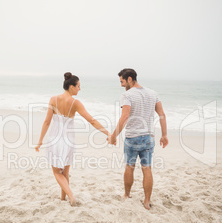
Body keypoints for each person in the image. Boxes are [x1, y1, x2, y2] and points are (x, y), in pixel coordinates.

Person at [35, 72, 111, 206]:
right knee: (65, 172)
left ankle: (70, 196)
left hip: (55, 139)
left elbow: (47, 122)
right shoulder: (75, 103)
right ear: (71, 87)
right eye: (78, 86)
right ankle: (63, 199)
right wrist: (108, 134)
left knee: (57, 173)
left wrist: (40, 140)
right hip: (68, 140)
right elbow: (91, 120)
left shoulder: (53, 99)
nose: (79, 89)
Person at [108, 68, 168, 210]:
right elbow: (162, 114)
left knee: (129, 167)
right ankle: (147, 201)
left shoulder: (127, 95)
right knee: (147, 168)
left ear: (130, 79)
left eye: (122, 81)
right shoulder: (153, 93)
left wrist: (113, 136)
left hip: (132, 138)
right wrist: (164, 135)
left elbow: (125, 116)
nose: (121, 85)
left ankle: (127, 195)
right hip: (148, 137)